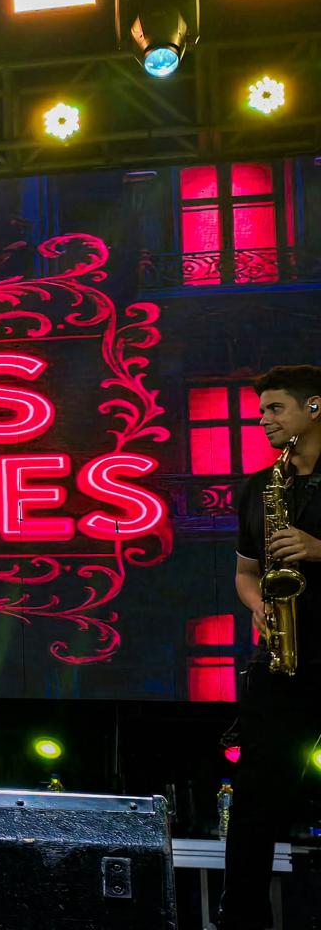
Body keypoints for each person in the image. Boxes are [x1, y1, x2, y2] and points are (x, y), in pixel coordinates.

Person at [221, 365, 321, 929]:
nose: (263, 420)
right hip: (282, 658)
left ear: (315, 407)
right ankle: (241, 917)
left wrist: (317, 548)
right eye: (261, 410)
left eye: (275, 408)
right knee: (254, 802)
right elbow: (245, 574)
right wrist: (259, 604)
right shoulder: (260, 486)